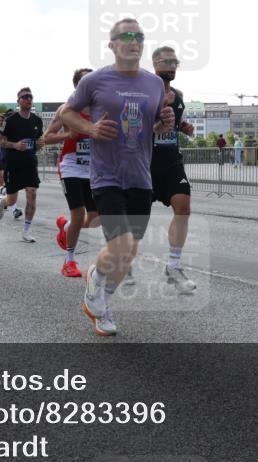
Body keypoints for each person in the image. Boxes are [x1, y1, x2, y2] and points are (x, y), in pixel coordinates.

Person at [59, 17, 174, 336]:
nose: (133, 41)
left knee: (128, 253)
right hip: (106, 176)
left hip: (141, 177)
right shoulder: (95, 81)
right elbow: (65, 113)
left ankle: (101, 297)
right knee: (120, 244)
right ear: (111, 45)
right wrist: (90, 128)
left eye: (138, 36)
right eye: (125, 36)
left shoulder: (154, 84)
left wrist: (163, 123)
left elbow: (149, 127)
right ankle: (97, 283)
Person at [44, 68, 100, 278]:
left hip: (93, 170)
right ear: (78, 86)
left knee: (95, 220)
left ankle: (65, 226)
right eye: (86, 81)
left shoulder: (100, 108)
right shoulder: (66, 109)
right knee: (78, 215)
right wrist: (68, 134)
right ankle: (69, 261)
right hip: (71, 167)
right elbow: (46, 137)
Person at [150, 46, 197, 293]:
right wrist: (156, 124)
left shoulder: (178, 95)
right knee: (134, 220)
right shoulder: (144, 92)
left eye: (174, 61)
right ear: (155, 63)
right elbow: (134, 127)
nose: (171, 65)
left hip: (171, 161)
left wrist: (184, 127)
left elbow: (176, 123)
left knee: (183, 208)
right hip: (144, 163)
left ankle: (173, 265)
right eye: (167, 61)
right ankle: (118, 259)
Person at [0, 88, 44, 243]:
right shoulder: (11, 120)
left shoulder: (37, 120)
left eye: (30, 97)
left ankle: (26, 231)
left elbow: (39, 141)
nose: (28, 99)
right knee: (12, 199)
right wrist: (14, 145)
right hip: (13, 163)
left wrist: (40, 143)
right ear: (19, 101)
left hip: (30, 163)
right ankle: (2, 202)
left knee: (32, 193)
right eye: (24, 97)